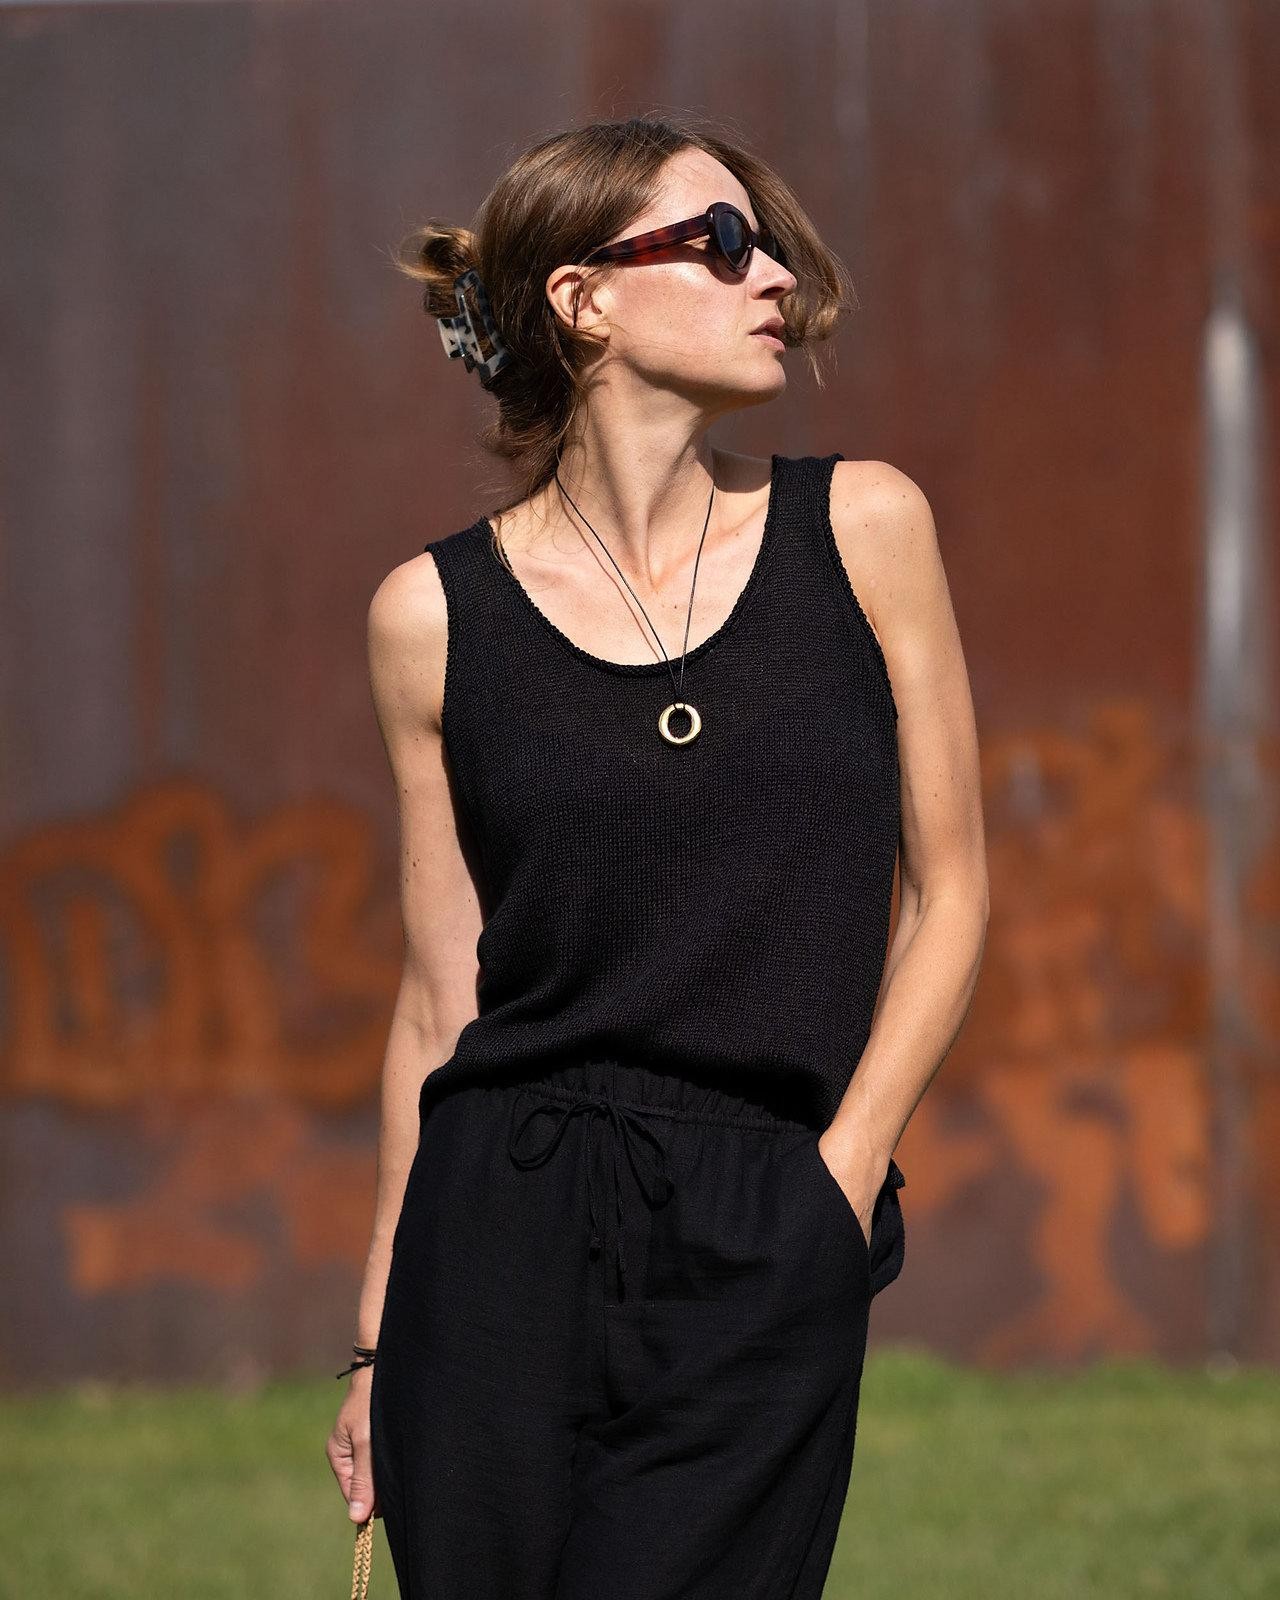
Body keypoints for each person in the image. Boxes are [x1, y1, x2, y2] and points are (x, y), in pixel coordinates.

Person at [325, 112, 987, 1599]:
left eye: (773, 248)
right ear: (585, 300)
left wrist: (838, 1180)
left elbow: (951, 895)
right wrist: (376, 1335)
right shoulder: (429, 616)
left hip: (768, 1211)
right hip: (492, 1233)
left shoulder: (865, 528)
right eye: (725, 242)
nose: (779, 281)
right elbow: (439, 997)